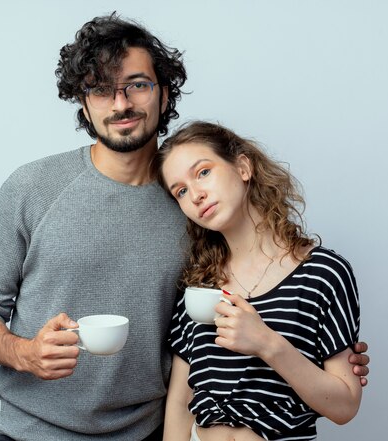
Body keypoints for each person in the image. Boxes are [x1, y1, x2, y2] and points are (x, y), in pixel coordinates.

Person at [0, 13, 370, 441]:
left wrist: (332, 350)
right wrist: (24, 353)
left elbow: (264, 284)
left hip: (145, 433)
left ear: (163, 92)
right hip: (30, 433)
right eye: (101, 89)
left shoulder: (197, 208)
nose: (120, 104)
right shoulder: (32, 187)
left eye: (136, 84)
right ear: (84, 104)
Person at [151, 121, 363, 441]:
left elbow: (345, 406)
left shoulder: (322, 273)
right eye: (180, 191)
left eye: (203, 172)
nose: (196, 195)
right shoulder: (198, 287)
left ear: (243, 167)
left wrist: (267, 343)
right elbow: (181, 403)